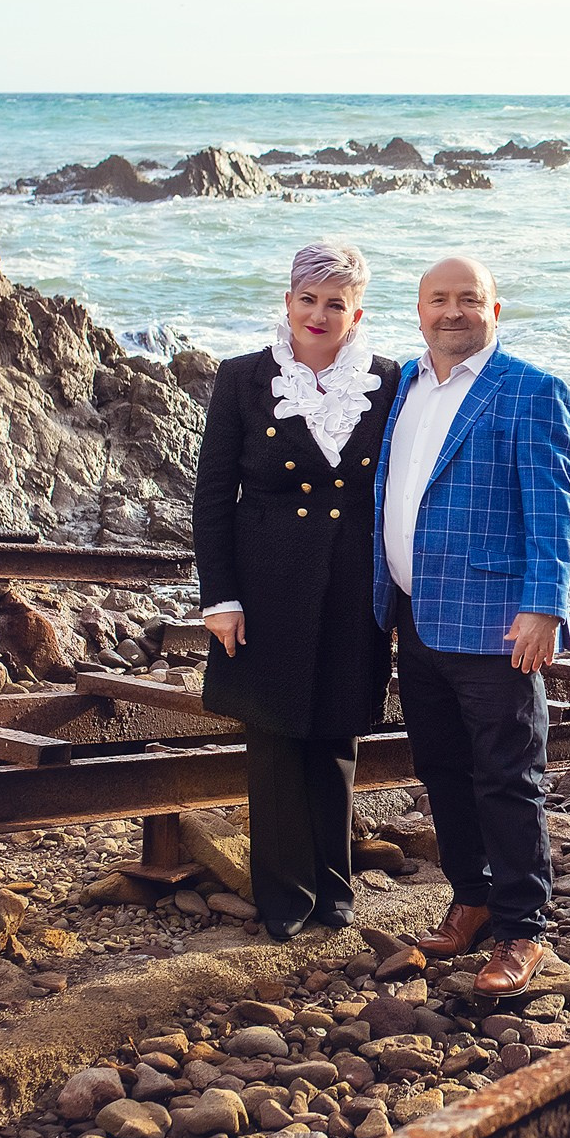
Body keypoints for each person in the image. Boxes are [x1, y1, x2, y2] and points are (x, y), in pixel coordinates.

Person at [374, 254, 570, 996]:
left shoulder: (530, 389)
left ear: (496, 308)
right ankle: (472, 898)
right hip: (414, 617)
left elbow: (551, 506)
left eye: (468, 299)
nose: (451, 312)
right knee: (442, 771)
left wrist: (543, 606)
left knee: (508, 776)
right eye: (438, 300)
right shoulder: (400, 384)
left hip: (496, 623)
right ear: (419, 309)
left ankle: (523, 932)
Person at [193, 242, 401, 941]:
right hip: (265, 585)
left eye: (334, 303)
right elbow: (213, 498)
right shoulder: (242, 379)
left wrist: (401, 595)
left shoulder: (388, 381)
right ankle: (283, 896)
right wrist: (220, 597)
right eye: (307, 299)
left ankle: (333, 889)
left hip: (350, 585)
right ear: (287, 303)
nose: (319, 314)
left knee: (337, 735)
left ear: (355, 311)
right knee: (274, 739)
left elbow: (400, 494)